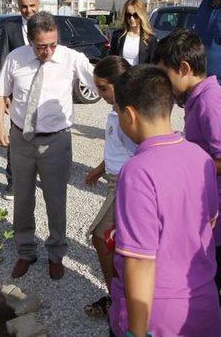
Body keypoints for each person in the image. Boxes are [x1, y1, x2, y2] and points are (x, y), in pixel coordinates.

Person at [109, 65, 221, 337]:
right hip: (204, 303)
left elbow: (139, 261)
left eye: (118, 113)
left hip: (158, 315)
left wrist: (137, 332)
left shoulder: (138, 171)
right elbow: (210, 220)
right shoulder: (201, 157)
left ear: (130, 114)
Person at [0, 11, 97, 280]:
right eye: (41, 46)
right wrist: (0, 128)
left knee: (56, 200)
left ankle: (56, 254)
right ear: (30, 40)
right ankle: (25, 251)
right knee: (23, 199)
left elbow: (100, 80)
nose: (48, 51)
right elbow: (0, 93)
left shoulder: (70, 58)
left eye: (52, 44)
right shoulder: (16, 58)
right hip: (22, 140)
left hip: (56, 142)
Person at [152, 29, 221, 304]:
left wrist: (184, 170)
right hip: (210, 209)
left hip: (220, 212)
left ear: (184, 68)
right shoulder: (199, 98)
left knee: (204, 287)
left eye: (165, 75)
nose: (164, 84)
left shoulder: (210, 101)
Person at [84, 56, 136, 319]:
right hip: (113, 180)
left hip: (126, 183)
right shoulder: (115, 111)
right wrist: (100, 168)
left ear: (119, 84)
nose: (100, 93)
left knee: (100, 238)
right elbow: (116, 148)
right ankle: (122, 295)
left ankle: (118, 298)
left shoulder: (129, 114)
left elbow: (141, 150)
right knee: (114, 242)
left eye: (104, 88)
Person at [0, 0, 40, 197]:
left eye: (32, 5)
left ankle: (41, 176)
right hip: (18, 93)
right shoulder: (10, 28)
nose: (28, 10)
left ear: (38, 4)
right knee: (16, 138)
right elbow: (4, 59)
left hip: (44, 93)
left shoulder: (49, 25)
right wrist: (4, 94)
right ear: (18, 6)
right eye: (24, 6)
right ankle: (13, 181)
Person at [108, 0, 158, 65]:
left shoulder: (150, 39)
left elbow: (152, 64)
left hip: (140, 74)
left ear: (141, 15)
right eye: (128, 15)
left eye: (135, 15)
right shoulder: (118, 35)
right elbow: (112, 59)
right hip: (122, 75)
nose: (132, 18)